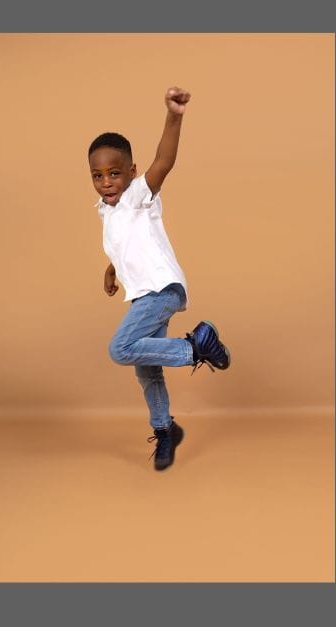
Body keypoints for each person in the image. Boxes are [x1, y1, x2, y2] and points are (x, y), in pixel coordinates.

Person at [91, 86, 230, 471]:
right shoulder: (106, 210)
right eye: (98, 175)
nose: (106, 182)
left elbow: (164, 161)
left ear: (131, 173)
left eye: (115, 173)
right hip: (143, 296)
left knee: (121, 349)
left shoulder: (139, 195)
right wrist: (111, 269)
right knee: (145, 368)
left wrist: (174, 115)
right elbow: (124, 247)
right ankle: (166, 429)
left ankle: (196, 348)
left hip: (163, 289)